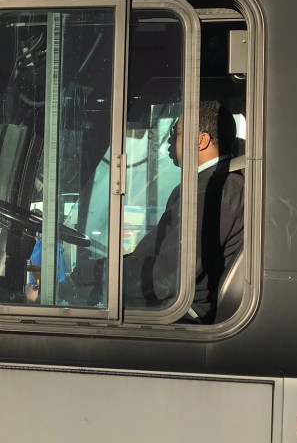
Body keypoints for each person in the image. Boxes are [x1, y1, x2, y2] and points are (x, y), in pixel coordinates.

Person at [73, 100, 244, 322]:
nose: (169, 143)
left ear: (202, 140)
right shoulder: (203, 186)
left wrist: (97, 272)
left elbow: (166, 277)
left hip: (182, 314)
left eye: (177, 133)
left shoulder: (214, 192)